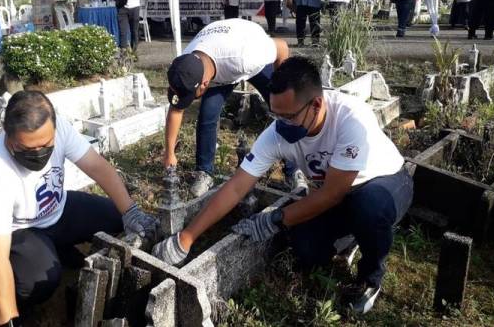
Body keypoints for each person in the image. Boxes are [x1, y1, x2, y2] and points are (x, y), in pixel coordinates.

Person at [153, 56, 413, 314]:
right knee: (304, 248)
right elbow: (236, 187)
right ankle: (351, 238)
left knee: (368, 209)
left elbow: (333, 194)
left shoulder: (349, 119)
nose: (282, 124)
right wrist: (186, 238)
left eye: (289, 116)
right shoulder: (278, 132)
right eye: (276, 114)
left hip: (385, 184)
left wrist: (276, 218)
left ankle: (370, 277)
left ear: (316, 104)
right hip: (337, 197)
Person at [0, 91, 159, 326]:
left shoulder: (59, 127)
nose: (39, 153)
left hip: (59, 210)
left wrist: (130, 211)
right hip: (22, 230)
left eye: (46, 145)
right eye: (28, 149)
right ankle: (24, 298)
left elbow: (97, 166)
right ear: (7, 136)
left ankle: (58, 247)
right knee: (39, 282)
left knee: (118, 216)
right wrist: (8, 322)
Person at [162, 19, 306, 198]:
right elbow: (176, 109)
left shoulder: (248, 57)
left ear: (205, 83)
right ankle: (204, 172)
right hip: (220, 61)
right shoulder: (186, 65)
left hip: (245, 49)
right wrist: (169, 153)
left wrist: (281, 88)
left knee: (284, 112)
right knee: (207, 114)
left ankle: (293, 170)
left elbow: (282, 47)